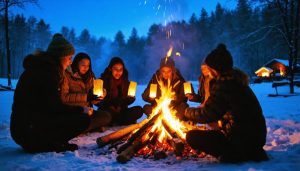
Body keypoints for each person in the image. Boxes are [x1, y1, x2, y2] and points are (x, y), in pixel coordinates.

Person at [184, 44, 268, 163]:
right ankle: (246, 151)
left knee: (192, 136)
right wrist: (221, 124)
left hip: (240, 142)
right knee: (211, 128)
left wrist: (185, 112)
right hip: (255, 139)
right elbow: (234, 114)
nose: (208, 71)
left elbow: (207, 114)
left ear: (215, 69)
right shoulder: (237, 81)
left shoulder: (224, 85)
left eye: (209, 68)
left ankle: (233, 155)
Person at [10, 33, 94, 153]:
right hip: (29, 131)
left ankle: (51, 141)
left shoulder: (45, 68)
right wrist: (80, 110)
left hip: (25, 128)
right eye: (69, 58)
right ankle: (49, 143)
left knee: (83, 117)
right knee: (83, 120)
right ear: (60, 56)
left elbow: (49, 106)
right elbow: (54, 106)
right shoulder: (47, 72)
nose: (71, 62)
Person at [60, 52, 111, 131]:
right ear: (76, 64)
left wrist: (99, 97)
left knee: (106, 116)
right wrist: (86, 97)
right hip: (75, 111)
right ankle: (85, 127)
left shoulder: (90, 77)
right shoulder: (67, 75)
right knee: (78, 121)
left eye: (88, 66)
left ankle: (84, 128)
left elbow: (93, 100)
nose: (86, 68)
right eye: (83, 65)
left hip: (88, 111)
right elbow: (64, 97)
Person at [97, 57, 143, 125]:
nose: (118, 72)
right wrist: (109, 104)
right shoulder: (102, 81)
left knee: (139, 110)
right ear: (110, 69)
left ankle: (116, 121)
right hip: (108, 110)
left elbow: (126, 101)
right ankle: (120, 121)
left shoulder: (126, 82)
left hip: (122, 111)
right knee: (106, 115)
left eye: (120, 69)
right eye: (115, 69)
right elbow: (98, 102)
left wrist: (131, 99)